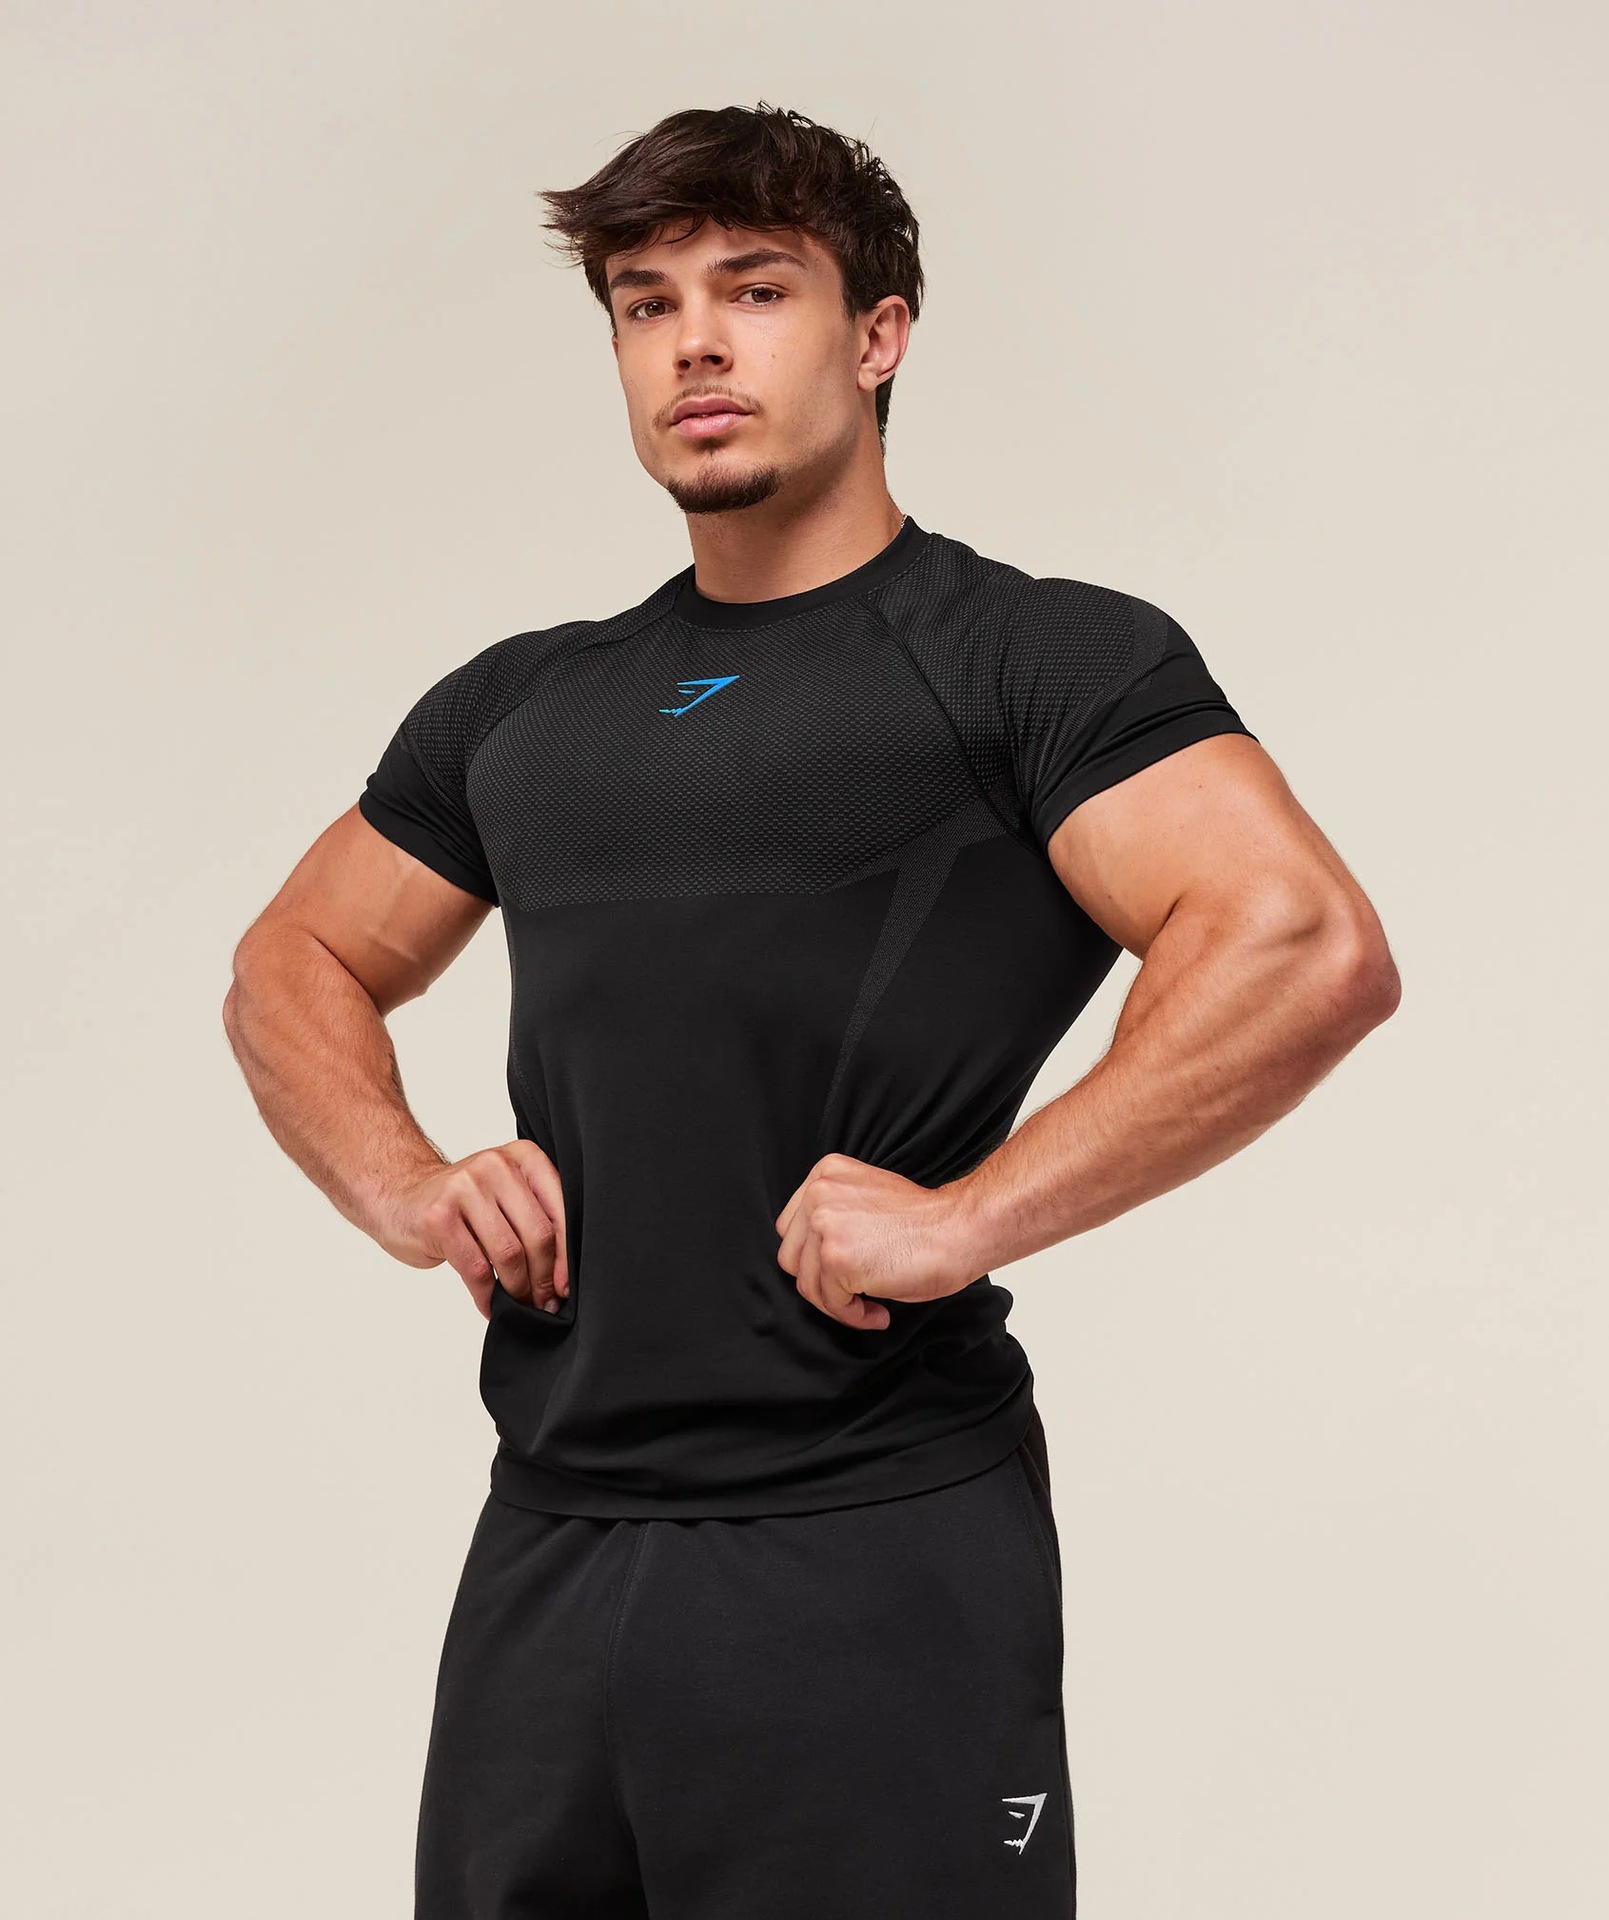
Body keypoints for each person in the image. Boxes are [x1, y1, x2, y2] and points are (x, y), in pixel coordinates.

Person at [223, 101, 1401, 1920]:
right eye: (645, 303)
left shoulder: (1029, 659)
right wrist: (401, 1181)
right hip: (547, 1545)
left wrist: (968, 1215)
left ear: (877, 335)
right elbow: (293, 961)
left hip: (871, 1547)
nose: (692, 342)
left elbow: (1300, 943)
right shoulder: (521, 705)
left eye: (754, 289)